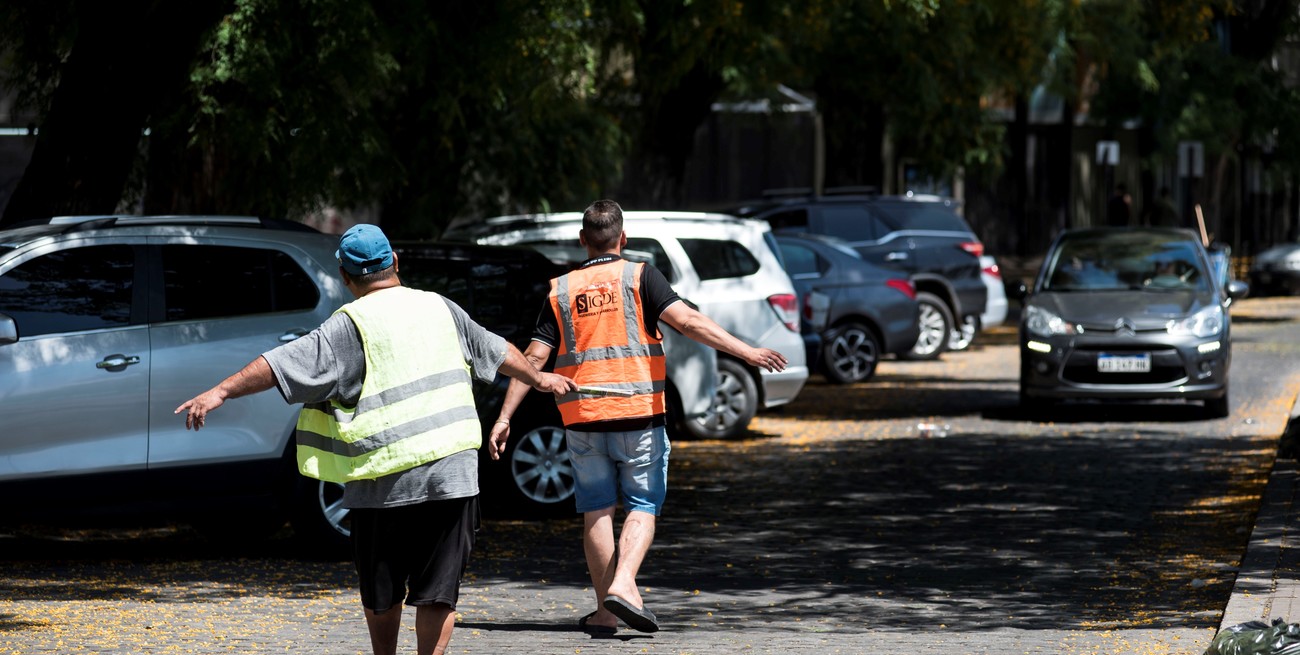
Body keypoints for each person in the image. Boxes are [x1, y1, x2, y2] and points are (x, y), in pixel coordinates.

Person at [175, 223, 577, 655]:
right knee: (438, 590)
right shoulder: (440, 307)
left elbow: (279, 365)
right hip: (451, 472)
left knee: (382, 590)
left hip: (382, 479)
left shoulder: (349, 325)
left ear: (346, 278)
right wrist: (539, 378)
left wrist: (220, 391)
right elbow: (499, 351)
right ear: (396, 263)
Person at [487, 199, 789, 635]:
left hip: (583, 420)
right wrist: (748, 352)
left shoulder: (561, 290)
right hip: (638, 416)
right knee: (642, 506)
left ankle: (605, 613)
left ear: (582, 241)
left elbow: (532, 359)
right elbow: (686, 321)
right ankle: (625, 583)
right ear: (623, 239)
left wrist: (504, 418)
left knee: (596, 512)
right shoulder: (640, 276)